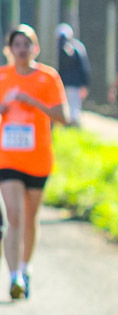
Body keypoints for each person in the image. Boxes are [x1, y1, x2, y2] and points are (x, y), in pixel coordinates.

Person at [0, 25, 69, 300]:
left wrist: (33, 102)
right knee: (14, 216)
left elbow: (63, 117)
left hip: (38, 158)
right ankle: (14, 276)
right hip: (8, 158)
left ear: (35, 48)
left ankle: (26, 268)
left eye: (27, 44)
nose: (22, 49)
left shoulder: (48, 78)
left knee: (30, 217)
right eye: (17, 44)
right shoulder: (2, 77)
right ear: (10, 49)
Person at [55, 23, 90, 126]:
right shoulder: (78, 47)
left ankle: (71, 129)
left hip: (65, 84)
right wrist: (85, 84)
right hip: (72, 84)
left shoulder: (57, 49)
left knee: (69, 108)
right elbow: (84, 67)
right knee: (72, 109)